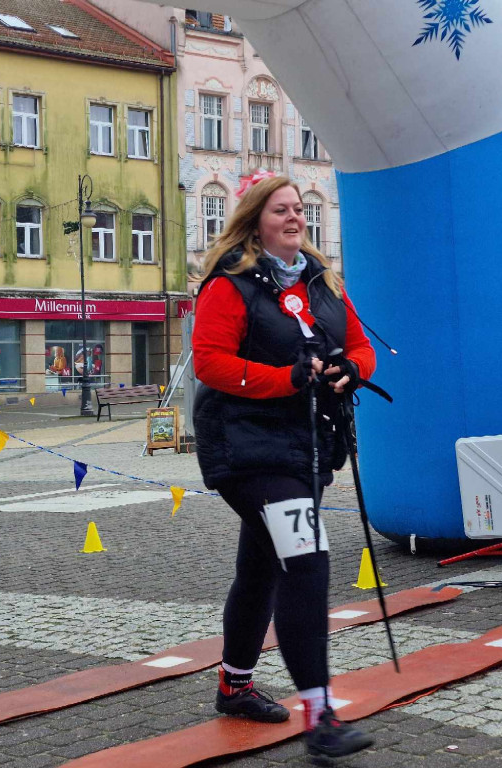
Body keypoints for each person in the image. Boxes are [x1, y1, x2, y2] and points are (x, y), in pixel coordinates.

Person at [191, 173, 378, 763]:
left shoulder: (322, 280)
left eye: (299, 209)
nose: (295, 218)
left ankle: (234, 685)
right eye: (281, 210)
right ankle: (320, 716)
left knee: (261, 569)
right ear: (255, 220)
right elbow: (211, 363)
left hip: (304, 447)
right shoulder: (231, 285)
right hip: (246, 446)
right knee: (307, 562)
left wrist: (351, 370)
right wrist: (287, 380)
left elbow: (360, 346)